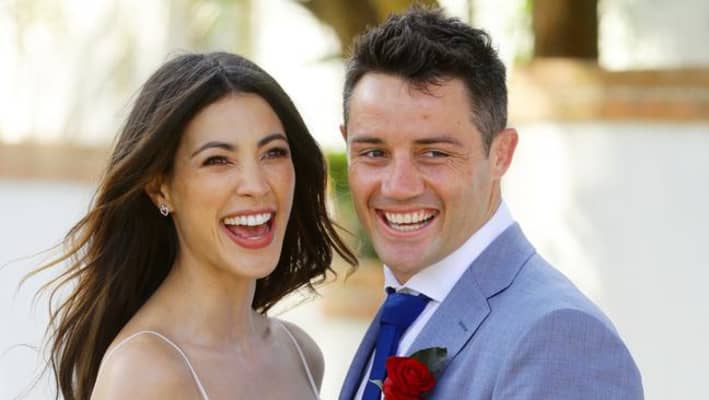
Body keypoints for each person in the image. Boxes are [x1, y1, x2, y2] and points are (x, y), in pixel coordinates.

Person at [338, 7, 643, 400]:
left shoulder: (561, 341)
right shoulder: (402, 311)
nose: (398, 186)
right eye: (373, 153)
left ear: (501, 154)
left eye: (434, 153)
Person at [29, 51, 356, 400]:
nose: (256, 185)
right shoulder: (142, 374)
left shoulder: (299, 353)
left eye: (273, 153)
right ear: (160, 188)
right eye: (217, 160)